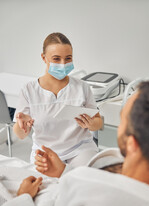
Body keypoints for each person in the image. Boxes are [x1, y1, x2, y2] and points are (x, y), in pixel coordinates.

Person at [1, 81, 149, 206]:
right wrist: (64, 171)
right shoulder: (143, 160)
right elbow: (100, 183)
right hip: (54, 185)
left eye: (122, 121)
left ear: (132, 144)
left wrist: (22, 198)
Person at [13, 32, 102, 164]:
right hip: (45, 151)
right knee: (45, 183)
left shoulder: (82, 87)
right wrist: (23, 127)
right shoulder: (29, 90)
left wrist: (91, 124)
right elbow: (20, 135)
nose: (63, 64)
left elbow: (98, 123)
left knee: (82, 179)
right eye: (56, 58)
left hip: (80, 149)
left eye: (68, 58)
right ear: (44, 58)